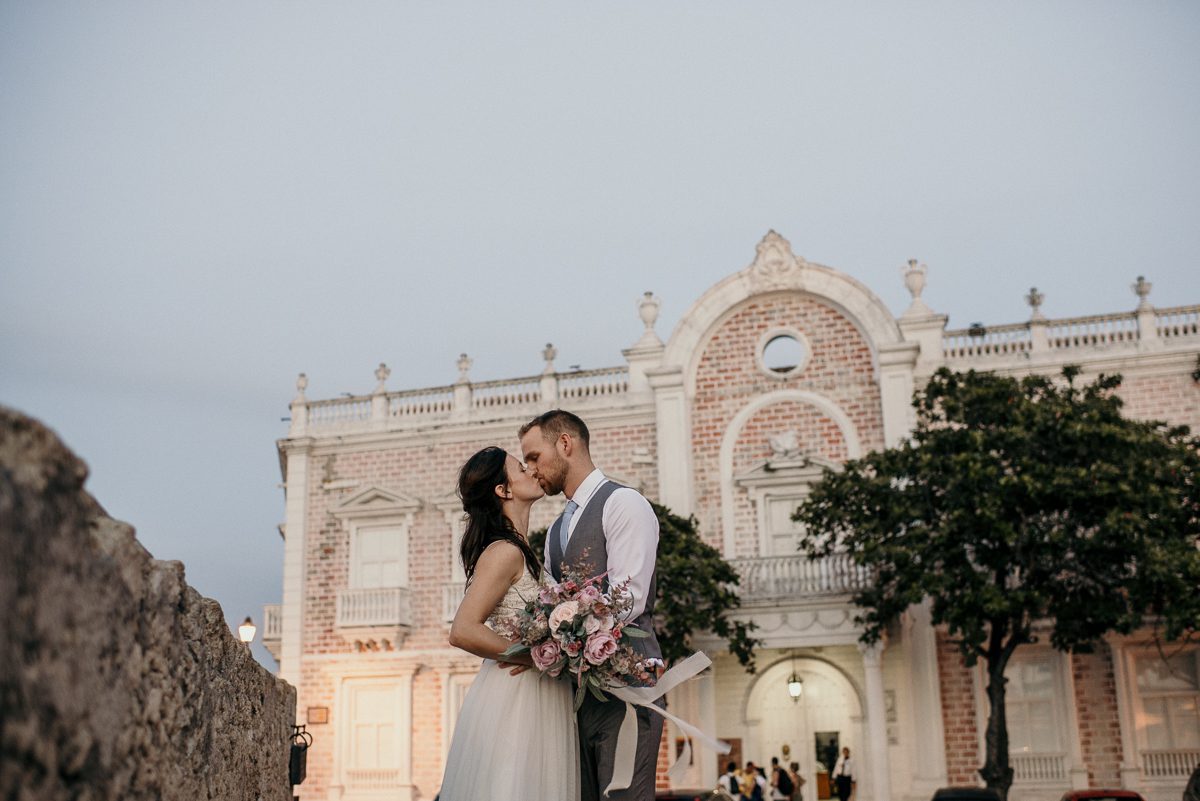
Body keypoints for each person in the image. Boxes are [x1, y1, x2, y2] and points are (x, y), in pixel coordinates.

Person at [519, 409, 663, 801]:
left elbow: (628, 597)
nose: (531, 470)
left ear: (565, 443)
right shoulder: (553, 532)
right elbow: (549, 601)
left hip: (627, 690)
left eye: (534, 457)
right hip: (573, 700)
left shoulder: (623, 504)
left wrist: (564, 627)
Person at [437, 447, 579, 801]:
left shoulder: (525, 551)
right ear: (503, 490)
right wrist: (533, 658)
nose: (533, 470)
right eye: (521, 467)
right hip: (517, 696)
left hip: (540, 693)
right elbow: (463, 629)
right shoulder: (505, 551)